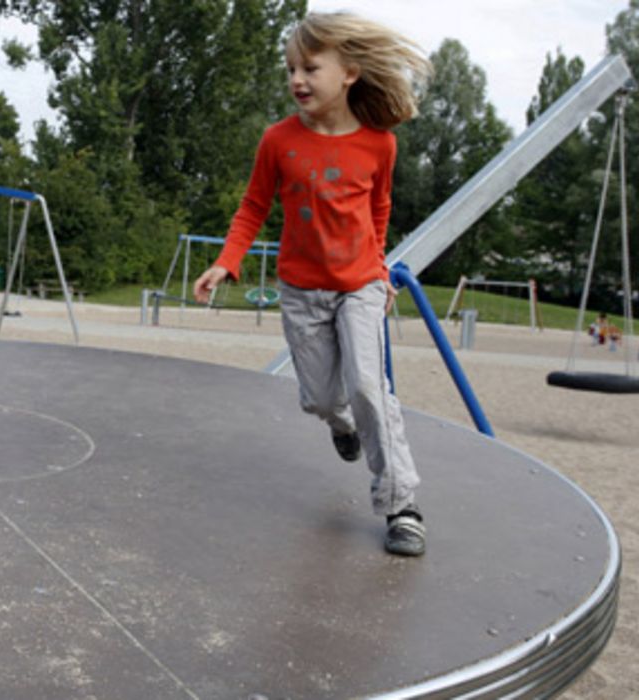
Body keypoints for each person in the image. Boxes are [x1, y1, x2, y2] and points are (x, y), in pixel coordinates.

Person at [192, 12, 432, 556]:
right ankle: (340, 424)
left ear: (349, 72)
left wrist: (377, 266)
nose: (297, 79)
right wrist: (226, 263)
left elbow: (379, 209)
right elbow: (253, 207)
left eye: (310, 68)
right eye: (291, 69)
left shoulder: (379, 145)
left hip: (359, 287)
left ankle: (402, 505)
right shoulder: (278, 141)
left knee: (371, 387)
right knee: (322, 399)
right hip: (302, 290)